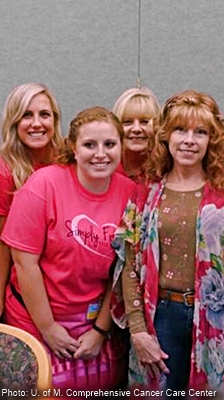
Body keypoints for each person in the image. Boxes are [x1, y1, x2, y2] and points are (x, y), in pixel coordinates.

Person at [112, 89, 224, 396]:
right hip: (160, 317)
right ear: (166, 135)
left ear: (212, 139)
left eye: (200, 132)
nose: (189, 140)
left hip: (219, 321)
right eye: (180, 130)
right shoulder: (145, 191)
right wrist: (138, 331)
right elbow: (129, 265)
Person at [1, 106, 137, 389]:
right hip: (34, 319)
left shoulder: (131, 194)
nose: (100, 153)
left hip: (93, 324)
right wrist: (48, 327)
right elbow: (25, 263)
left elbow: (123, 269)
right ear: (73, 149)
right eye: (89, 145)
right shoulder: (43, 184)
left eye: (109, 144)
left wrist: (100, 330)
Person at [0, 82, 64, 319]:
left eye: (44, 115)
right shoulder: (5, 172)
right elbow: (3, 247)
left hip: (67, 298)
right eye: (27, 115)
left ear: (55, 120)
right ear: (14, 121)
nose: (37, 123)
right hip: (25, 298)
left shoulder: (69, 161)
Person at [112, 86, 160, 183]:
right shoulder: (106, 169)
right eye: (127, 122)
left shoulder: (165, 171)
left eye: (145, 122)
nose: (136, 129)